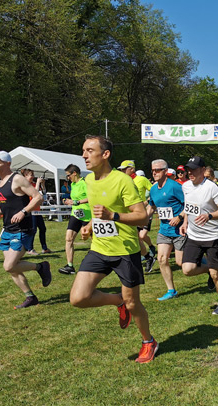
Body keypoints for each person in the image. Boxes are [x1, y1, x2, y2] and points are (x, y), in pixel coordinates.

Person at [69, 135, 157, 364]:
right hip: (99, 248)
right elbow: (96, 210)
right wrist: (89, 226)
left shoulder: (123, 181)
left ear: (105, 154)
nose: (84, 155)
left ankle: (148, 341)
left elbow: (140, 216)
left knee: (134, 303)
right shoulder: (88, 181)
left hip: (125, 251)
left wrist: (113, 216)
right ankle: (117, 301)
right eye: (83, 150)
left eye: (89, 150)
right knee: (78, 298)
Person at [0, 151, 52, 309]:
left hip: (23, 229)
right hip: (8, 229)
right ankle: (30, 297)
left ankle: (41, 267)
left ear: (7, 164)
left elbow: (37, 197)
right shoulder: (0, 184)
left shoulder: (17, 179)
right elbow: (2, 209)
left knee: (9, 265)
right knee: (13, 268)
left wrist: (23, 212)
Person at [180, 155, 218, 315]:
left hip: (212, 237)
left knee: (216, 275)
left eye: (194, 169)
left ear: (203, 170)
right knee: (187, 270)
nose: (190, 172)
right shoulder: (186, 186)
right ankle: (209, 269)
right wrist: (184, 222)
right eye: (188, 169)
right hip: (193, 236)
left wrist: (210, 216)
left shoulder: (211, 187)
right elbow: (189, 207)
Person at [147, 159, 186, 301]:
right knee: (162, 259)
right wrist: (141, 219)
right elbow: (151, 207)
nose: (154, 173)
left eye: (157, 170)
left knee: (181, 263)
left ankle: (210, 267)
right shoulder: (152, 189)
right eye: (152, 170)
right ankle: (171, 290)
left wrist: (180, 217)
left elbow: (189, 204)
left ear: (165, 171)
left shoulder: (175, 186)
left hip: (179, 229)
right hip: (164, 230)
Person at [118, 160, 156, 272]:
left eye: (124, 169)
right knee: (134, 238)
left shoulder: (141, 179)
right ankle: (148, 257)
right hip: (129, 214)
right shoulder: (123, 181)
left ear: (132, 169)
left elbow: (154, 191)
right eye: (121, 169)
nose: (122, 171)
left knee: (140, 237)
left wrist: (146, 203)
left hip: (143, 213)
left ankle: (146, 255)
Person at [59, 164, 91, 275]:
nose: (67, 178)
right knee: (68, 239)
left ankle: (99, 262)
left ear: (74, 173)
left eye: (68, 175)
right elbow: (74, 199)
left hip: (87, 215)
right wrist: (67, 201)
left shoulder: (84, 183)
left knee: (95, 241)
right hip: (76, 214)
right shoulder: (73, 184)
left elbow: (91, 197)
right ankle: (70, 266)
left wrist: (77, 202)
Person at [20, 169, 51, 255]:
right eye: (30, 175)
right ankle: (30, 249)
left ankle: (44, 248)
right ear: (25, 176)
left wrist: (43, 185)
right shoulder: (25, 186)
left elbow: (43, 196)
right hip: (30, 211)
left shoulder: (33, 184)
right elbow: (34, 195)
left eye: (33, 174)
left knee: (42, 228)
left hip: (37, 211)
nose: (32, 176)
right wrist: (37, 183)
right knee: (32, 230)